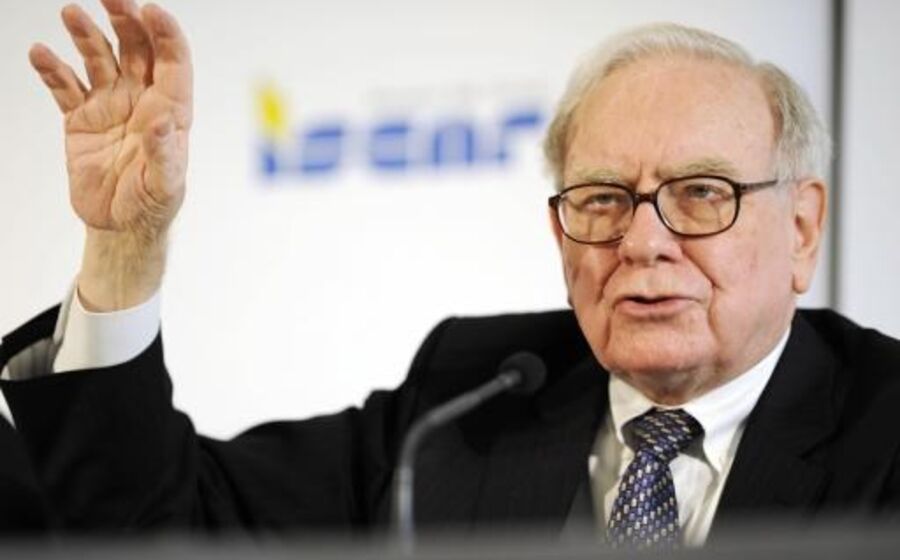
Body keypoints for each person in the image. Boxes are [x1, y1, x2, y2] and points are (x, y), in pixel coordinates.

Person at [1, 0, 898, 546]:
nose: (643, 242)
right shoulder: (473, 397)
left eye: (701, 194)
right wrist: (125, 248)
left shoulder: (883, 430)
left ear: (802, 228)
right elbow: (166, 529)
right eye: (601, 199)